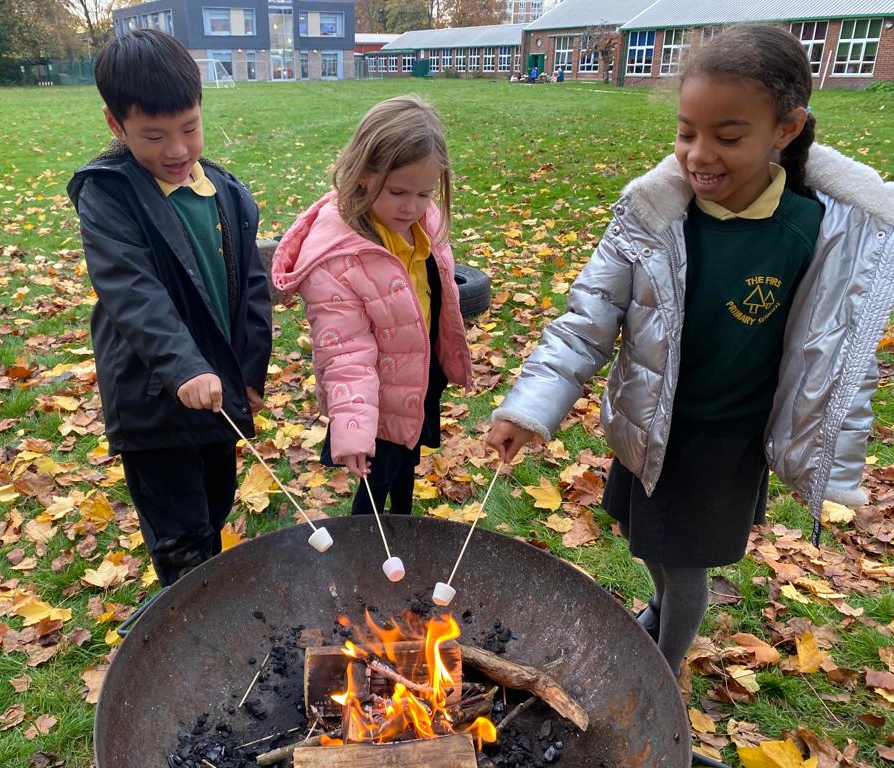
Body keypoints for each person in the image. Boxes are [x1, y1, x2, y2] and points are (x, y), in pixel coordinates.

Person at [486, 25, 894, 677]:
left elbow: (833, 344)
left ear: (785, 130)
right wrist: (528, 409)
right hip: (651, 421)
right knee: (642, 533)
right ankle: (660, 606)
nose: (699, 155)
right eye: (685, 132)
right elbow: (583, 322)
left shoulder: (814, 230)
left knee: (685, 560)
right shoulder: (651, 217)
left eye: (728, 137)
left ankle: (662, 667)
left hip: (722, 441)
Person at [67, 29, 272, 586]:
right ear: (116, 125)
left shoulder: (225, 193)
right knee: (180, 535)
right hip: (154, 399)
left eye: (189, 129)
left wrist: (249, 373)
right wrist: (184, 366)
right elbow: (132, 292)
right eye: (154, 136)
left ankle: (205, 598)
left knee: (216, 500)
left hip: (218, 398)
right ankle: (189, 624)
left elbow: (252, 287)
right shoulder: (109, 196)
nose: (177, 150)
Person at [272, 96, 472, 516]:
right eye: (398, 191)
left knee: (406, 464)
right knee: (376, 478)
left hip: (416, 377)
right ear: (364, 175)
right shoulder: (338, 261)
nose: (412, 207)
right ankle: (363, 552)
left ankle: (404, 527)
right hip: (371, 397)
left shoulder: (421, 220)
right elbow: (344, 353)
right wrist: (353, 428)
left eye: (424, 193)